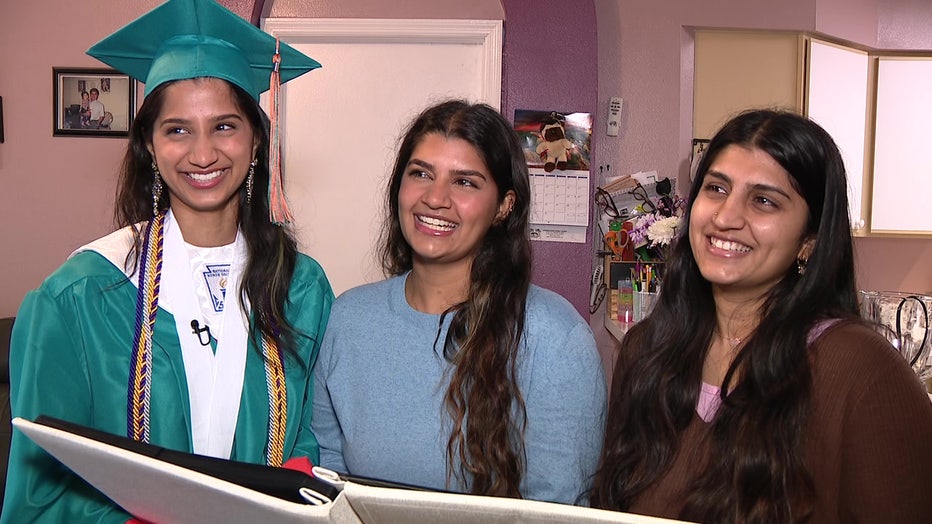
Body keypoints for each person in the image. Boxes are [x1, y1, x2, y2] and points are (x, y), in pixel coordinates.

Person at [2, 0, 329, 521]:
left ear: (257, 141)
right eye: (177, 129)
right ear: (149, 146)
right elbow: (40, 495)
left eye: (225, 126)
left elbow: (316, 444)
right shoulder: (81, 297)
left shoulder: (301, 288)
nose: (203, 154)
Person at [590, 109, 932, 522]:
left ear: (809, 240)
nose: (726, 217)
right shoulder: (646, 352)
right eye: (716, 188)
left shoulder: (861, 371)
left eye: (764, 200)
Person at [311, 100, 606, 505]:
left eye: (465, 182)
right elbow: (328, 482)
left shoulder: (555, 339)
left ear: (504, 206)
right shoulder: (348, 320)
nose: (435, 198)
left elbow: (556, 510)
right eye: (420, 174)